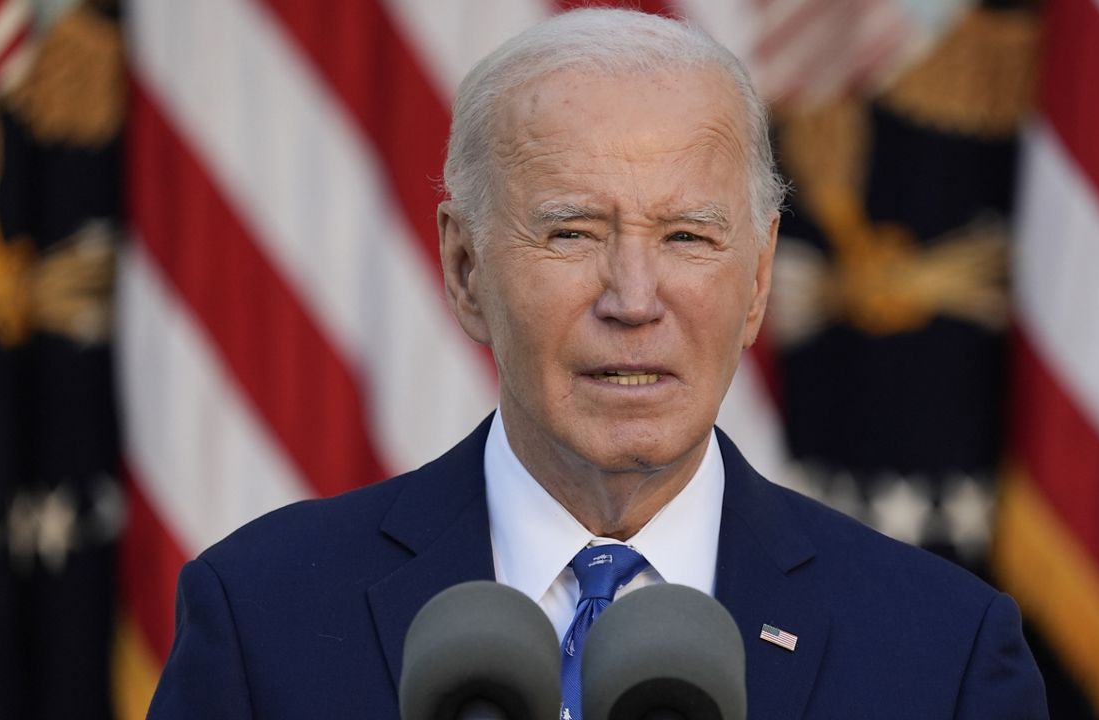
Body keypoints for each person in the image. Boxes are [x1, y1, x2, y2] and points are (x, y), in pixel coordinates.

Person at [148, 9, 1047, 719]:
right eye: (572, 233)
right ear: (465, 270)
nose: (633, 298)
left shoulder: (942, 652)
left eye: (688, 236)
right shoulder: (262, 619)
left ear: (760, 278)